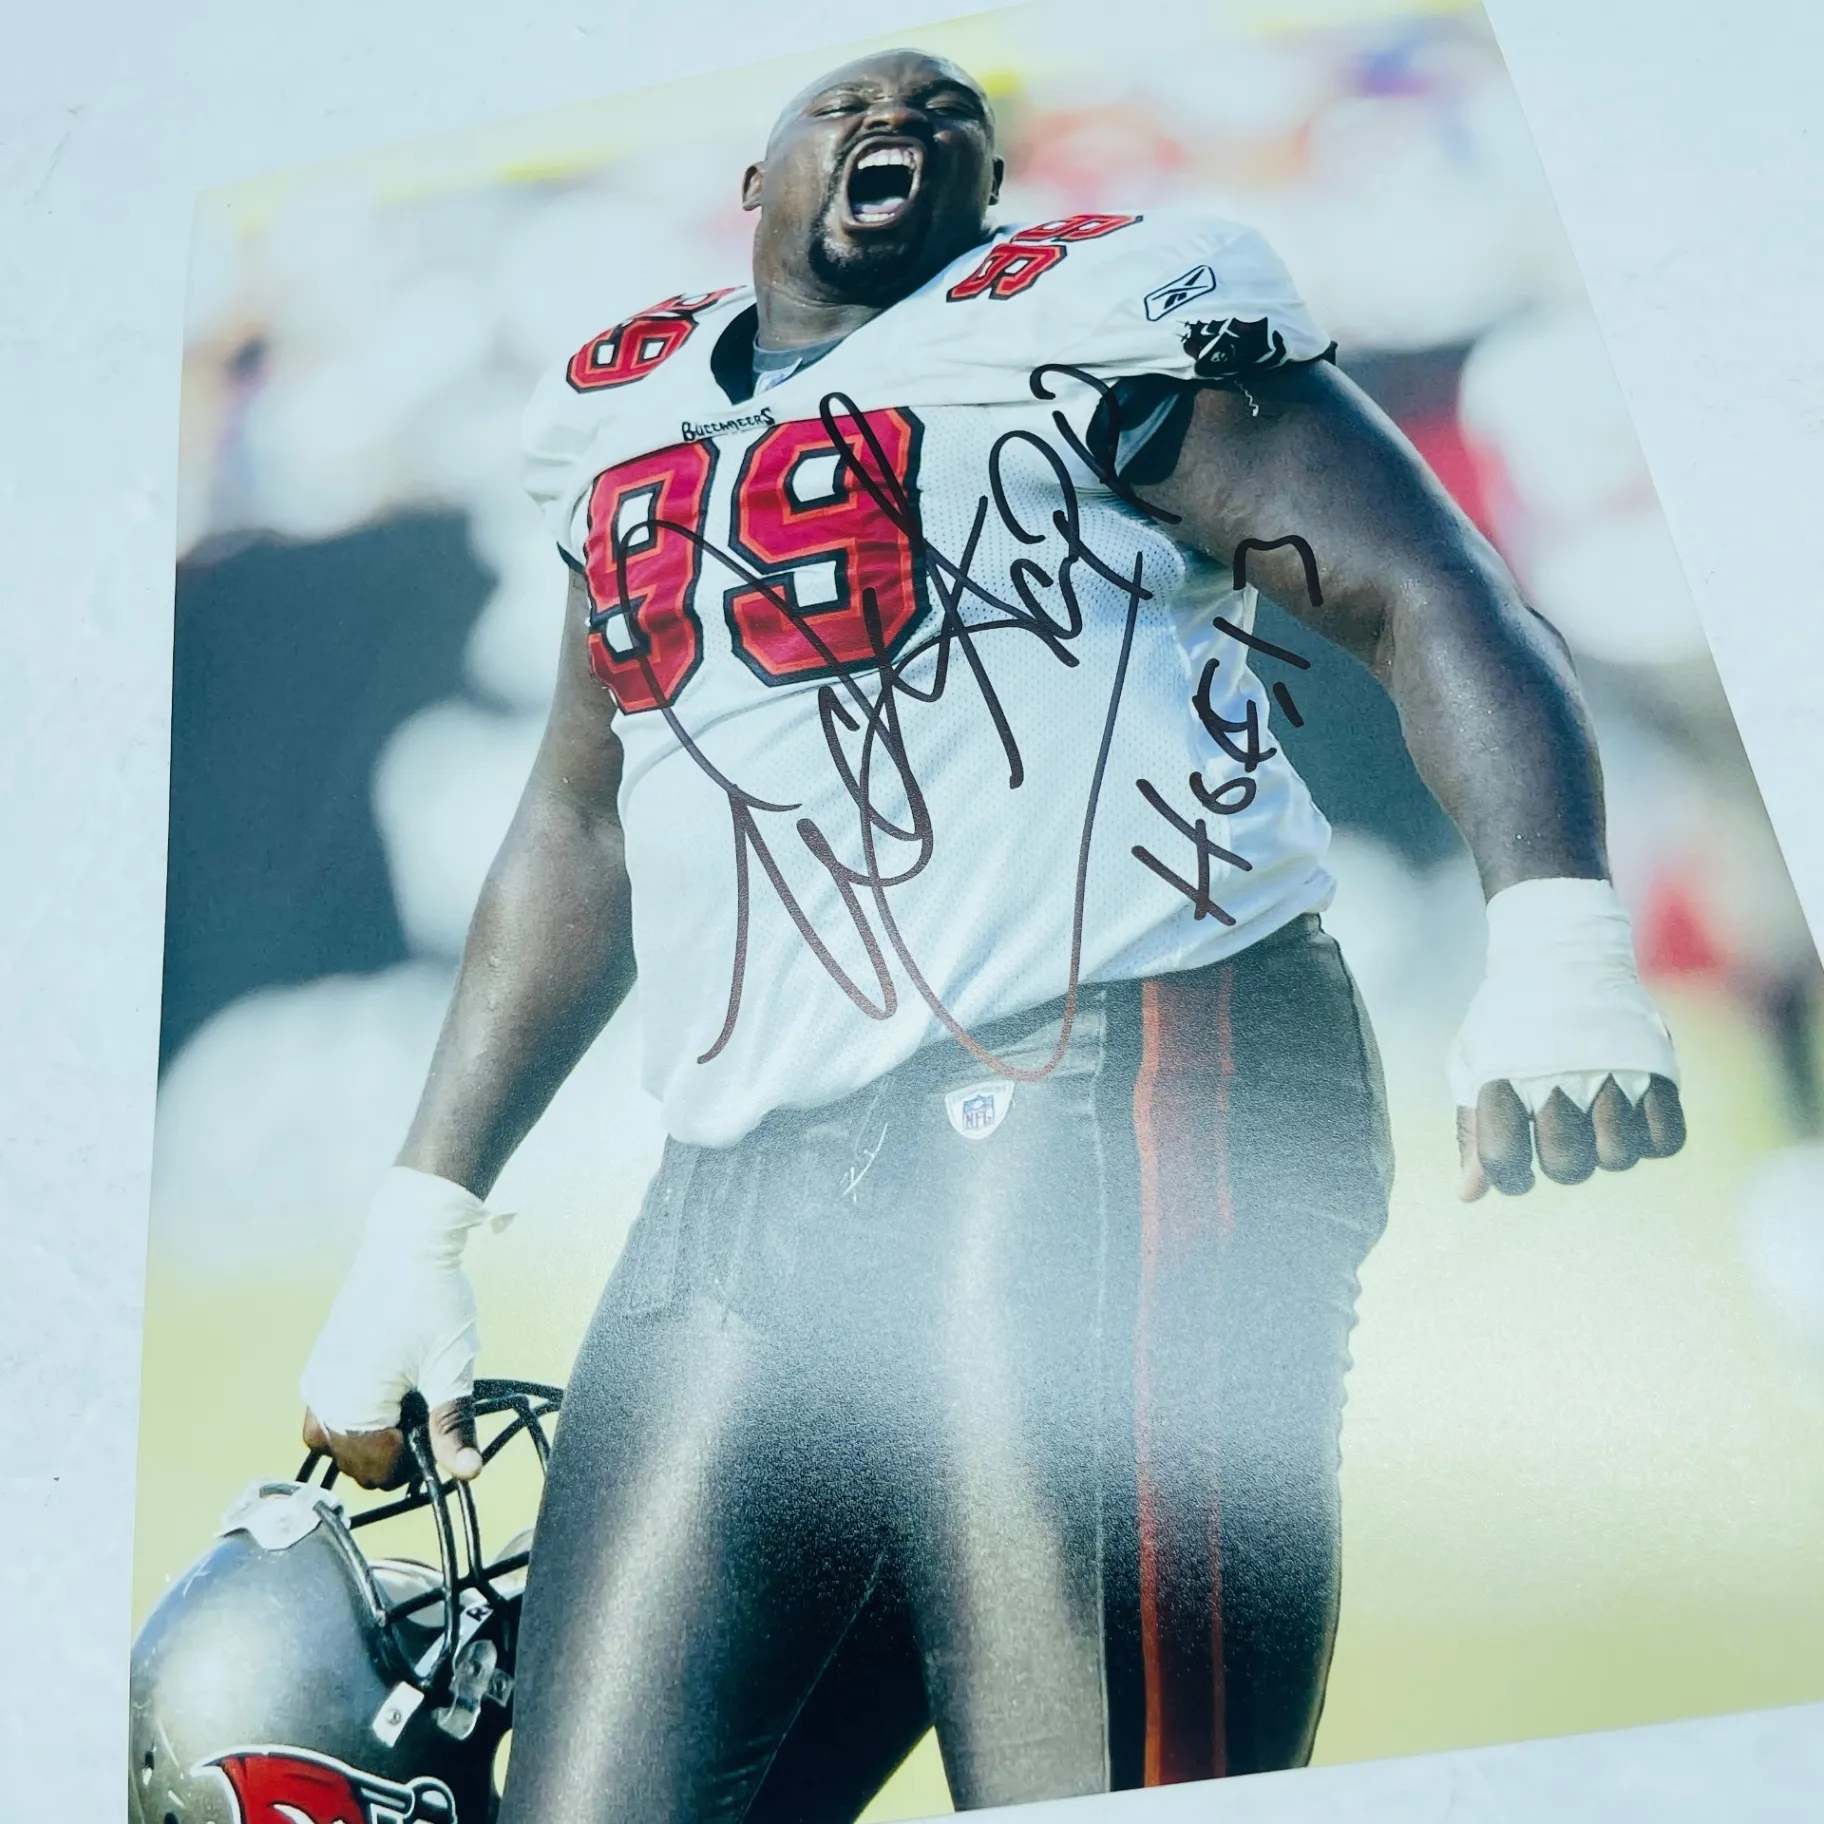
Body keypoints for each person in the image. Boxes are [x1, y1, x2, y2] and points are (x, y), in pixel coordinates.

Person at [299, 48, 1686, 1821]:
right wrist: (416, 1226)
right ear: (753, 182)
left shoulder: (1093, 312)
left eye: (948, 110)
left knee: (1090, 1782)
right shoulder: (620, 407)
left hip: (1112, 1076)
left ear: (994, 187)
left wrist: (1555, 927)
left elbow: (1423, 588)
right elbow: (585, 818)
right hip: (743, 1183)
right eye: (848, 103)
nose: (902, 112)